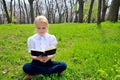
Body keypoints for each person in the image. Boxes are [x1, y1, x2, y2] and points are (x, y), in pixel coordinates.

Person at [23, 15, 67, 80]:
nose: (41, 30)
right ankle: (49, 71)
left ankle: (36, 73)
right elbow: (30, 55)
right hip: (36, 63)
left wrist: (48, 57)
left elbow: (53, 53)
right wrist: (38, 58)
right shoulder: (31, 39)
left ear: (47, 27)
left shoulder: (51, 38)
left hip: (48, 62)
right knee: (26, 67)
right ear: (35, 28)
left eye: (43, 28)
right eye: (38, 28)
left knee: (63, 65)